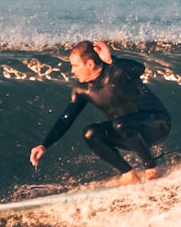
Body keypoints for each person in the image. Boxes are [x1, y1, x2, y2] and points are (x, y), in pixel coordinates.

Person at [30, 40, 171, 185]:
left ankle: (151, 169)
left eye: (75, 65)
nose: (72, 71)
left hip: (156, 124)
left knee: (121, 124)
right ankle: (129, 174)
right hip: (126, 134)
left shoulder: (116, 72)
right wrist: (44, 145)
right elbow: (66, 119)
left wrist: (111, 60)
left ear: (90, 64)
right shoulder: (82, 89)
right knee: (91, 133)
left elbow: (139, 68)